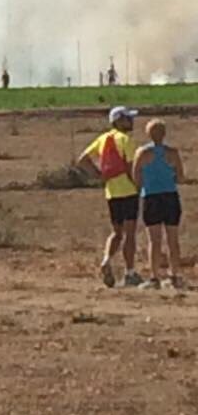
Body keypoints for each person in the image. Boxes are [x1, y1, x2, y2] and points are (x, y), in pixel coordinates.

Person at [78, 106, 142, 288]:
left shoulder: (103, 139)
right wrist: (138, 185)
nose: (131, 121)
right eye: (128, 118)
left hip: (111, 192)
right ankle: (130, 272)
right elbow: (131, 167)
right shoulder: (126, 140)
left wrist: (99, 176)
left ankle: (106, 260)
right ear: (119, 121)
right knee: (130, 234)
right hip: (128, 191)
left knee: (117, 232)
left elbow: (83, 159)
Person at [133, 119, 185, 289]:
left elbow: (136, 177)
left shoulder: (142, 153)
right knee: (173, 238)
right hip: (170, 196)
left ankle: (154, 277)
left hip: (151, 197)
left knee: (154, 240)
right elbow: (180, 177)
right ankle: (175, 275)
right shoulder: (172, 153)